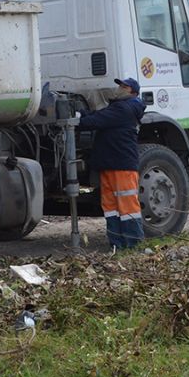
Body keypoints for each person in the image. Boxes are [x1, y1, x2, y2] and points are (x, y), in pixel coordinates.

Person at [77, 77, 146, 249]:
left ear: (133, 92)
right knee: (111, 206)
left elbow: (98, 120)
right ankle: (117, 244)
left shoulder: (126, 107)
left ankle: (133, 244)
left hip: (122, 165)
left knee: (127, 206)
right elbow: (99, 115)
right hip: (110, 164)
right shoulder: (118, 107)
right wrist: (82, 114)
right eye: (120, 85)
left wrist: (79, 119)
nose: (119, 88)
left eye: (124, 86)